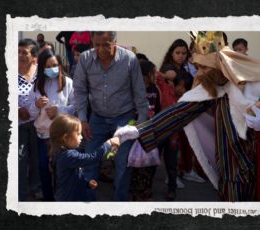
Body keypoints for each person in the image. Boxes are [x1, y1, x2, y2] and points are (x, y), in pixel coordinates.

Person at [115, 31, 260, 202]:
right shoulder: (211, 86)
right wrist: (140, 131)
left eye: (204, 67)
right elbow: (179, 113)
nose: (200, 74)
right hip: (230, 171)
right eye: (198, 68)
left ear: (221, 64)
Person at [73, 31, 148, 201]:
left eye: (106, 45)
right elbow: (80, 91)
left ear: (115, 42)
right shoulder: (85, 59)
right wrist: (83, 119)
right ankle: (88, 204)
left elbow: (139, 93)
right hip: (96, 118)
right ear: (92, 42)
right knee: (90, 161)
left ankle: (119, 205)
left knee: (123, 163)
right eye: (96, 45)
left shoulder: (129, 59)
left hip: (124, 118)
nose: (100, 50)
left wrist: (139, 126)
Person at [28, 49, 76, 201]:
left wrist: (59, 111)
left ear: (60, 65)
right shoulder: (36, 85)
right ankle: (48, 200)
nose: (51, 69)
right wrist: (36, 105)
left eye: (54, 65)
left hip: (63, 136)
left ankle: (63, 199)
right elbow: (31, 114)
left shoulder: (68, 83)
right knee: (44, 169)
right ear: (41, 68)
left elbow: (76, 107)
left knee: (62, 170)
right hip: (44, 136)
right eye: (47, 66)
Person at [48, 114, 120, 201]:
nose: (81, 137)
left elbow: (71, 177)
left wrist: (86, 184)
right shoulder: (68, 156)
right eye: (78, 134)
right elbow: (92, 158)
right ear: (65, 137)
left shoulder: (60, 152)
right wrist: (108, 144)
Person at [158, 38, 192, 200]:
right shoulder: (168, 68)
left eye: (184, 53)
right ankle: (143, 189)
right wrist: (166, 76)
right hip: (162, 119)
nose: (180, 56)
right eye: (177, 52)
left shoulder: (187, 72)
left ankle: (172, 188)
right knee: (153, 158)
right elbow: (170, 74)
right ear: (171, 53)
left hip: (176, 121)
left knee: (172, 159)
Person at [130, 59, 161, 201]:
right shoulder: (133, 90)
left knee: (149, 162)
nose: (156, 75)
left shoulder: (155, 90)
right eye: (154, 73)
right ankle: (135, 192)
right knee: (135, 163)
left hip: (151, 131)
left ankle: (147, 189)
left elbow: (159, 109)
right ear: (145, 75)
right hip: (135, 131)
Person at [18, 38, 41, 201]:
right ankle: (21, 192)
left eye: (24, 52)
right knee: (20, 157)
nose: (20, 55)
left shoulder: (41, 72)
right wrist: (17, 109)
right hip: (18, 124)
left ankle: (37, 187)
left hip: (38, 123)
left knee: (36, 157)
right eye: (18, 52)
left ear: (34, 56)